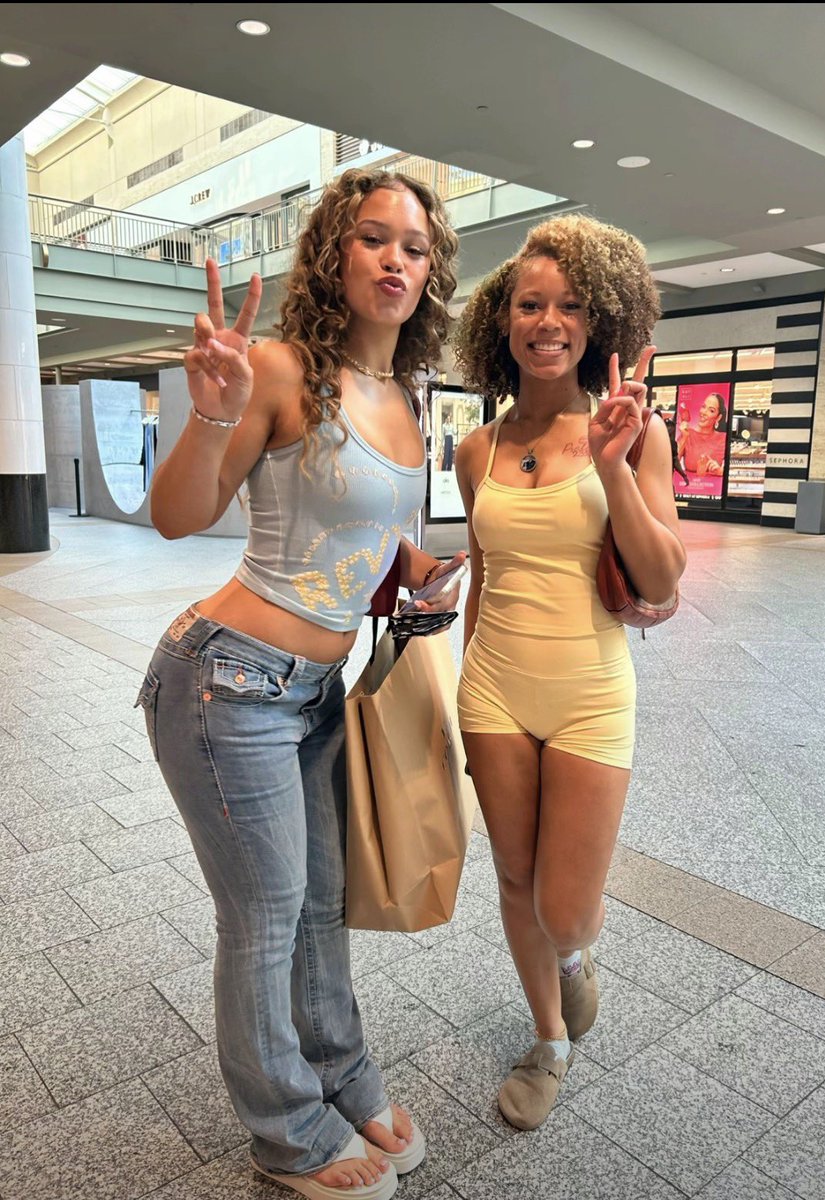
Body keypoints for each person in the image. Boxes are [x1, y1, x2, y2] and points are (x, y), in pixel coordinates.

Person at [139, 167, 462, 1199]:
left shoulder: (405, 396)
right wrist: (210, 415)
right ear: (334, 253)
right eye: (373, 238)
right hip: (225, 682)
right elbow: (177, 518)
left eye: (414, 247)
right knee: (267, 914)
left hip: (321, 691)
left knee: (320, 905)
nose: (395, 260)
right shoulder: (282, 369)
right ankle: (285, 1132)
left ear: (431, 272)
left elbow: (366, 541)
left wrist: (415, 573)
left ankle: (343, 1077)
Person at [453, 215, 685, 1131]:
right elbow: (483, 578)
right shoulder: (475, 451)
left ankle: (576, 957)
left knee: (565, 909)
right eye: (529, 304)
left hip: (591, 692)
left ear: (600, 323)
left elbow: (660, 578)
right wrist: (460, 682)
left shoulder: (631, 430)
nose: (547, 322)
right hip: (493, 690)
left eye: (571, 306)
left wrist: (615, 466)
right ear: (501, 320)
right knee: (514, 880)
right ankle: (547, 1039)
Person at [678, 391, 727, 475]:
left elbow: (733, 470)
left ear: (718, 417)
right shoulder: (687, 434)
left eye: (711, 410)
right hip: (688, 483)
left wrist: (720, 471)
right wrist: (684, 437)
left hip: (714, 483)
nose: (703, 412)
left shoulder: (723, 438)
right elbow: (671, 463)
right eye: (703, 407)